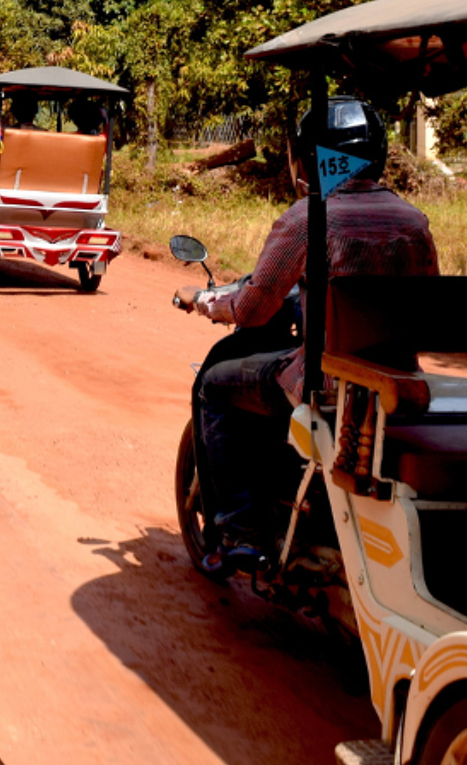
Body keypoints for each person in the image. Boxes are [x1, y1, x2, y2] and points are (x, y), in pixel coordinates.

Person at [176, 96, 438, 573]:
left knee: (213, 385)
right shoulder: (413, 221)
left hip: (328, 386)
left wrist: (205, 302)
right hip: (394, 383)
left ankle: (240, 529)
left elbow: (252, 308)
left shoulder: (307, 218)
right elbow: (425, 307)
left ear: (311, 159)